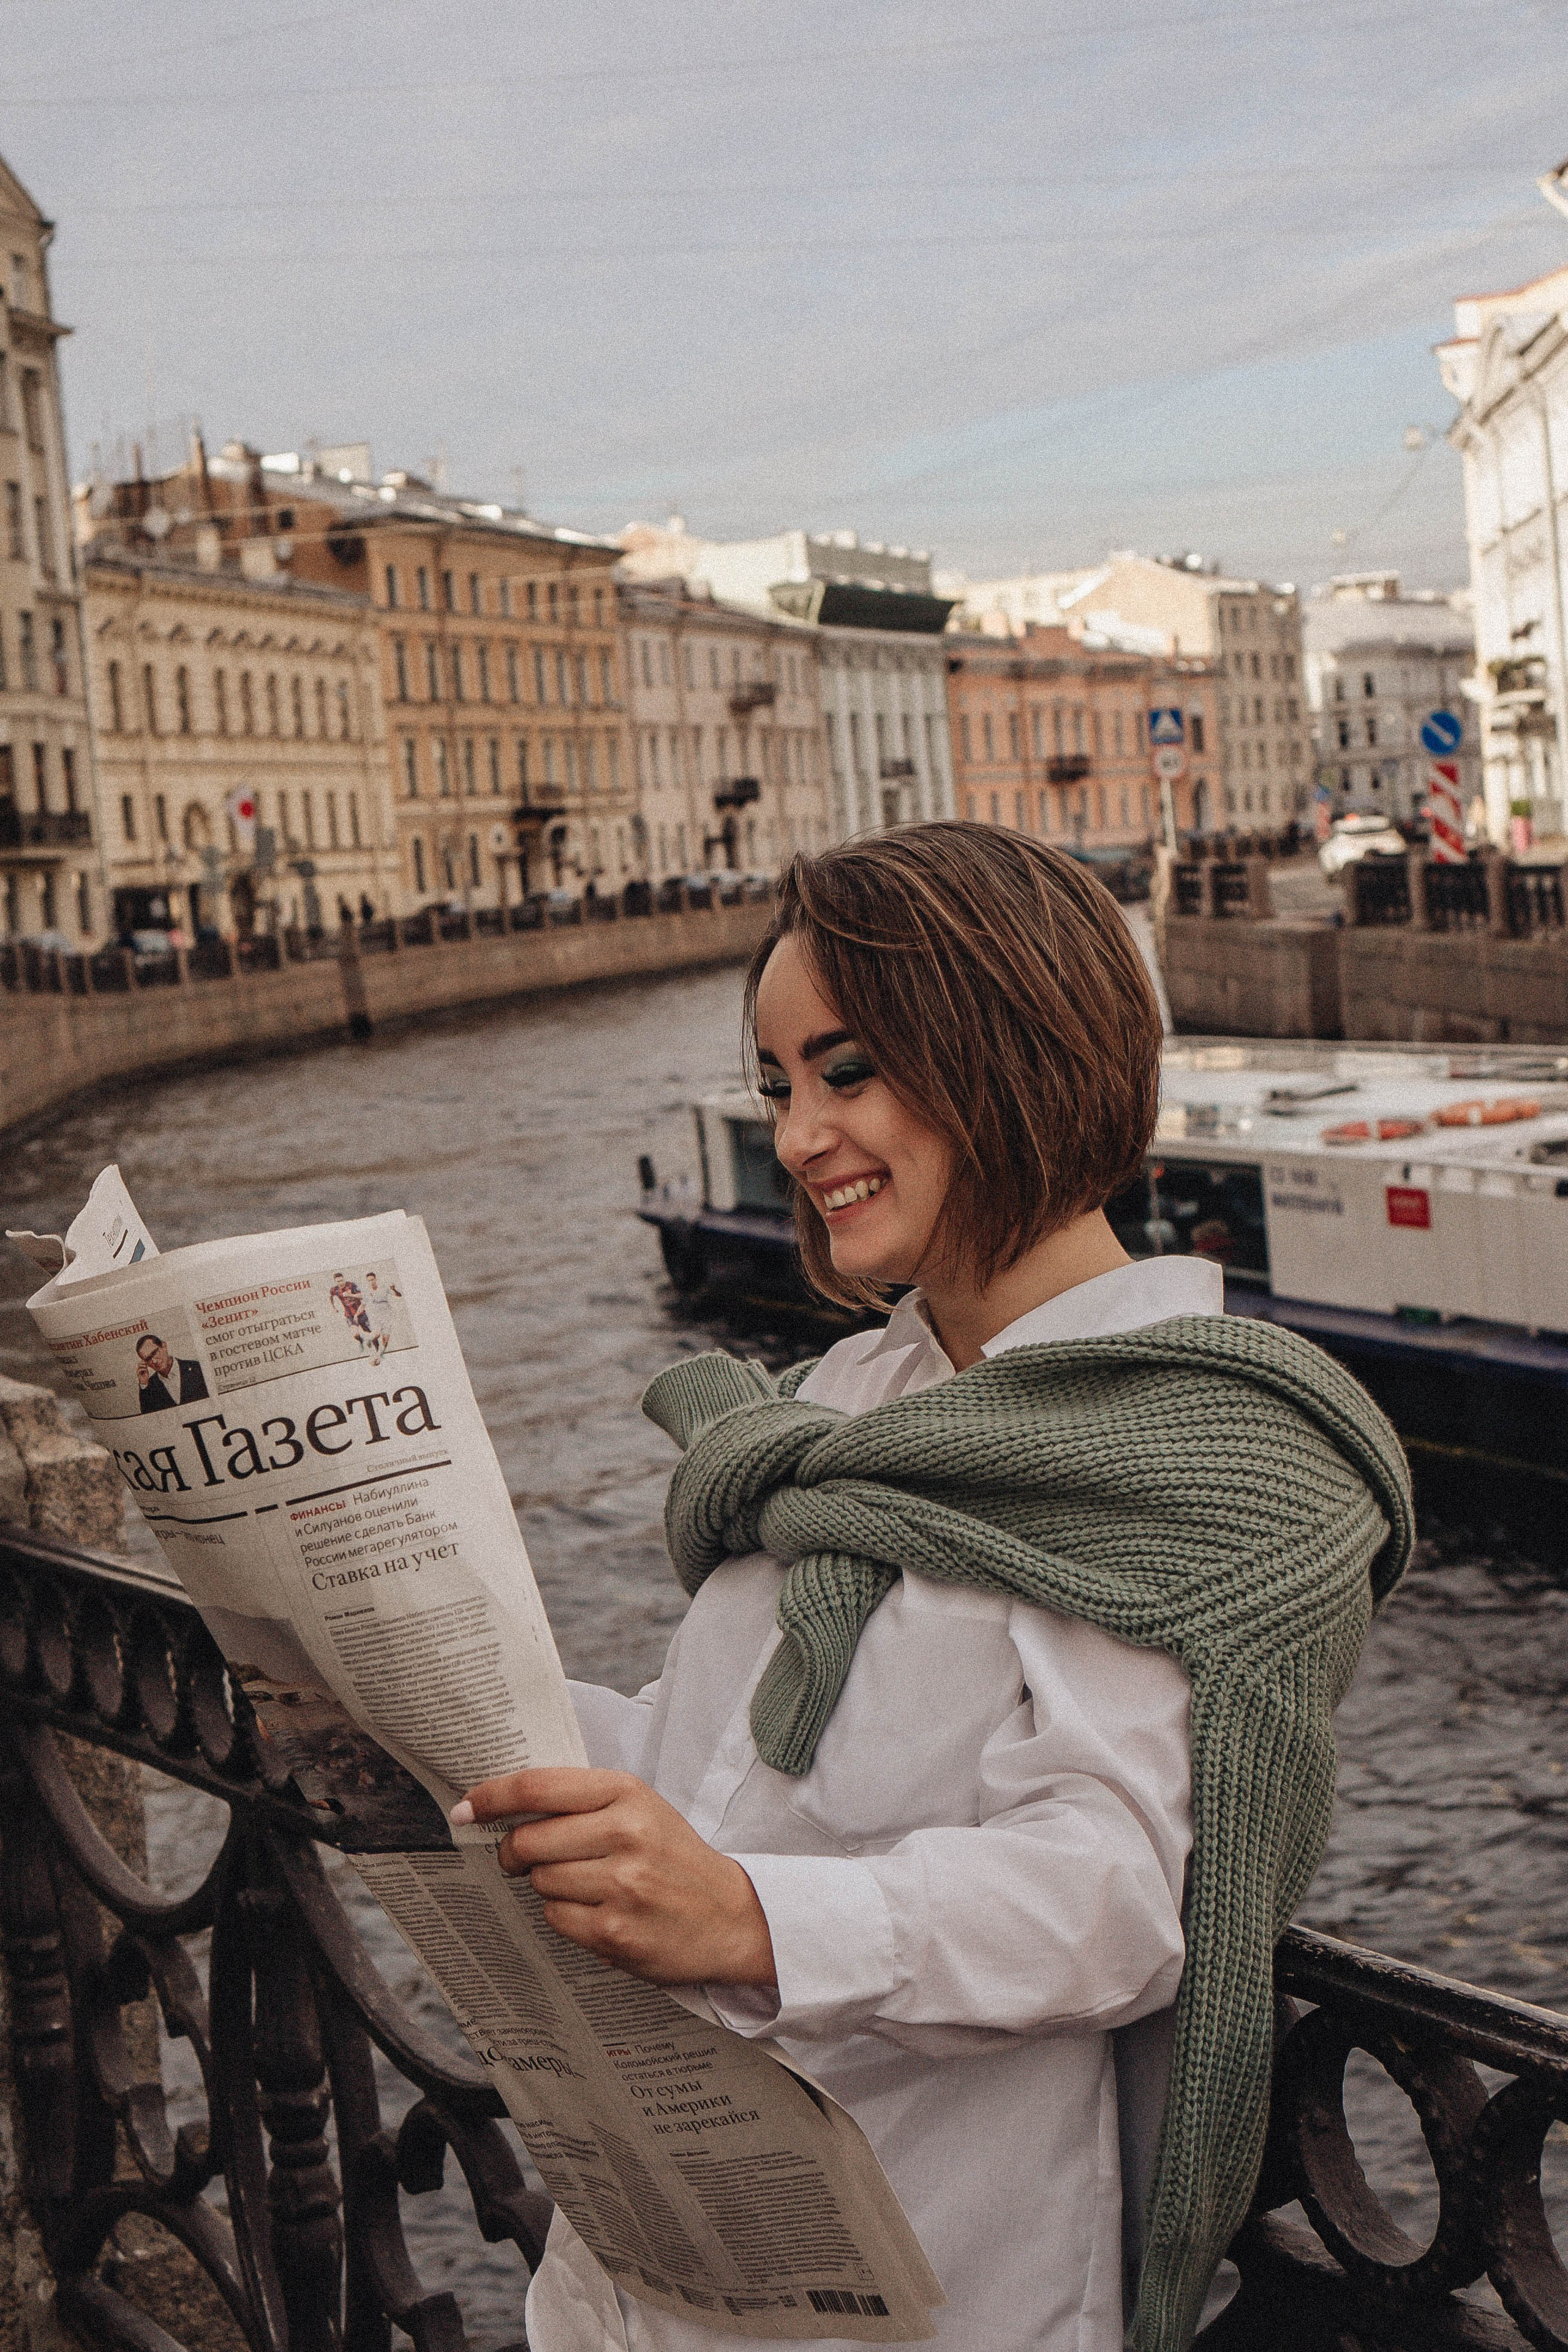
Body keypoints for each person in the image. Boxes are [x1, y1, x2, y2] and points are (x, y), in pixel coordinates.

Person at [454, 824, 1413, 2352]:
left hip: (925, 2281)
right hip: (654, 2261)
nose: (795, 1131)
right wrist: (431, 1702)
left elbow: (1121, 1889)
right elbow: (731, 1770)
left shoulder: (1172, 1447)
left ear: (1004, 1051)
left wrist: (757, 1921)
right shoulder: (847, 1402)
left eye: (846, 1071)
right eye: (777, 1084)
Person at [135, 1332, 208, 1413]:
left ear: (164, 1346)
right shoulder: (150, 1386)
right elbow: (150, 1418)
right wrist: (144, 1385)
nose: (154, 1361)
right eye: (148, 1359)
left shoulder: (197, 1368)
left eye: (154, 1353)